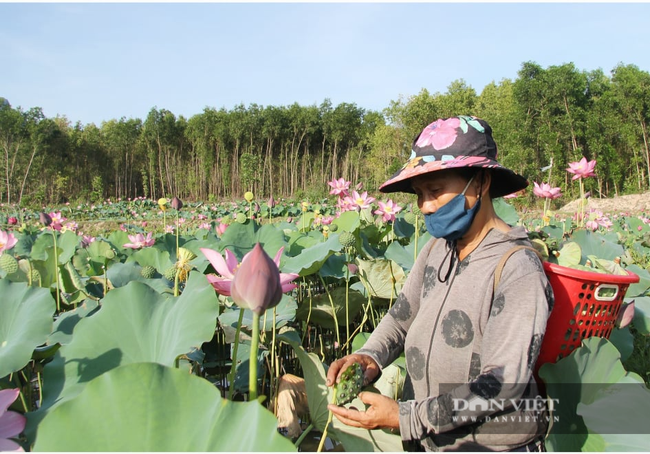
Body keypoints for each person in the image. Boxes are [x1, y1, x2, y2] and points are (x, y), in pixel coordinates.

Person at [326, 116, 553, 452]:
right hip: (428, 441)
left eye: (435, 191)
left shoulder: (517, 267)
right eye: (419, 194)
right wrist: (369, 357)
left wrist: (407, 418)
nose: (425, 206)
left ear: (481, 182)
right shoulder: (436, 249)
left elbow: (502, 384)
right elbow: (401, 318)